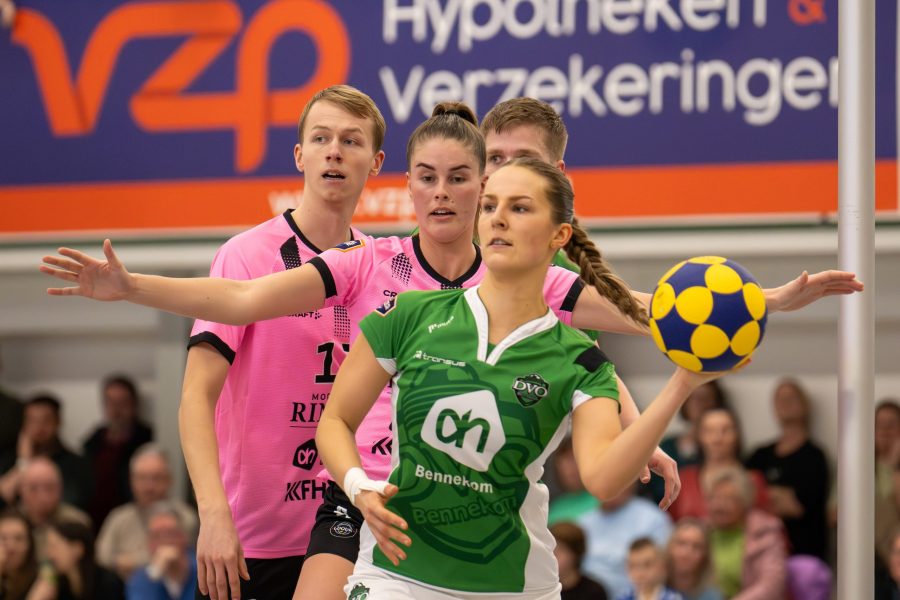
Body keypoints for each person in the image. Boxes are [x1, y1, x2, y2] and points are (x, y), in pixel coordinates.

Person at [312, 157, 735, 599]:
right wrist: (359, 487)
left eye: (519, 208)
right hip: (395, 576)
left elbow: (603, 479)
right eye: (489, 206)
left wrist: (681, 385)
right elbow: (336, 420)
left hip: (515, 586)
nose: (498, 218)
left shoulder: (582, 361)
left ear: (559, 235)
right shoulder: (408, 314)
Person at [179, 84, 385, 600]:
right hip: (252, 542)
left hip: (346, 531)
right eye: (321, 138)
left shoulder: (381, 267)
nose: (334, 151)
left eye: (351, 141)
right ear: (299, 155)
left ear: (376, 162)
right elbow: (195, 396)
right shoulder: (246, 255)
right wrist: (213, 514)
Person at [745, 379, 829, 559]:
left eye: (792, 397)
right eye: (780, 399)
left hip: (803, 555)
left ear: (805, 405)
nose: (785, 403)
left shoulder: (814, 456)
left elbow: (797, 507)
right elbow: (743, 498)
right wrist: (779, 495)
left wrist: (762, 493)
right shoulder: (759, 455)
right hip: (761, 555)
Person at [96, 444, 197, 581]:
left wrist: (133, 562)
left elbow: (187, 559)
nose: (149, 486)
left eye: (156, 478)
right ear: (131, 480)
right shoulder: (118, 518)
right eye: (142, 478)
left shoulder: (186, 518)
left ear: (170, 479)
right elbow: (101, 557)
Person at [668, 408, 769, 522]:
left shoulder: (753, 480)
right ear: (699, 436)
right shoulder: (684, 479)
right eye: (709, 431)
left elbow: (764, 523)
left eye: (726, 430)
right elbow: (671, 524)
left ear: (737, 435)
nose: (717, 438)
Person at [83, 374, 154, 529]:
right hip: (95, 521)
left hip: (135, 521)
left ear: (134, 404)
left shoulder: (147, 440)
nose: (116, 409)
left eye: (122, 402)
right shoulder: (92, 442)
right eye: (110, 402)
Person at [705, 466, 787, 600]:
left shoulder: (764, 533)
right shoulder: (701, 530)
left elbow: (771, 585)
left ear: (745, 502)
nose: (719, 505)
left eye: (728, 499)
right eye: (714, 498)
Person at [578, 483, 673, 598]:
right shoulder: (583, 523)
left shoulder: (653, 519)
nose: (608, 487)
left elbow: (661, 567)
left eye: (614, 481)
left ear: (630, 483)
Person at [0, 396, 92, 511]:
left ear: (58, 422)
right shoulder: (10, 459)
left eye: (46, 420)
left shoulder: (76, 464)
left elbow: (69, 501)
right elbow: (2, 499)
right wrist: (24, 462)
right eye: (32, 420)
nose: (39, 427)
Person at [28, 520, 124, 600]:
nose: (49, 553)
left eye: (54, 546)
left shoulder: (108, 583)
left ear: (78, 549)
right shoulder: (58, 585)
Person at [15, 458, 90, 562]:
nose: (42, 496)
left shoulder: (76, 523)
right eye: (34, 488)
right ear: (21, 489)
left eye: (49, 488)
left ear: (61, 489)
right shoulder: (9, 522)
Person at [126, 502, 197, 600]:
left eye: (170, 534)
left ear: (184, 537)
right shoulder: (140, 579)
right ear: (149, 544)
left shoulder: (203, 572)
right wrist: (154, 575)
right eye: (157, 536)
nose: (165, 541)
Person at [665, 519, 723, 600]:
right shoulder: (654, 585)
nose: (687, 553)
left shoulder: (712, 595)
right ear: (670, 547)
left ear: (705, 555)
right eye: (681, 543)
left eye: (696, 547)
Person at [550, 522, 608, 600]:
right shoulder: (541, 588)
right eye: (550, 550)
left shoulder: (594, 591)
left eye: (560, 550)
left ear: (576, 554)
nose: (553, 555)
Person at [548, 437, 598, 526]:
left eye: (574, 458)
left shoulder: (608, 500)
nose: (570, 467)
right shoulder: (553, 509)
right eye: (566, 460)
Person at [875, 399, 900, 570]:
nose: (884, 430)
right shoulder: (858, 468)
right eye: (879, 425)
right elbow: (833, 514)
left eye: (891, 424)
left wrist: (893, 465)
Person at [617, 538, 682, 600]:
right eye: (633, 566)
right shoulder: (623, 597)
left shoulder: (674, 598)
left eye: (647, 565)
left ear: (662, 566)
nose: (640, 573)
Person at [0, 509, 38, 600]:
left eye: (18, 539)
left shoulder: (39, 581)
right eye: (3, 538)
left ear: (29, 544)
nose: (11, 547)